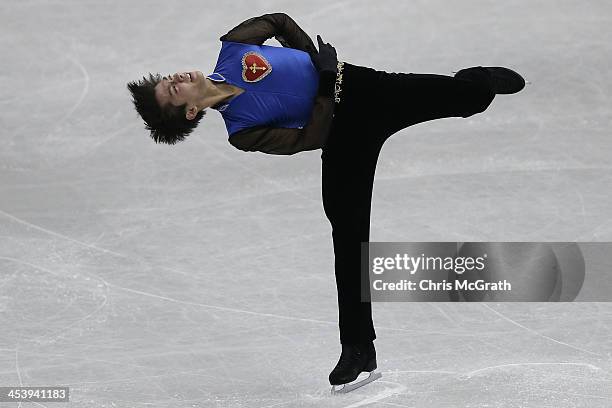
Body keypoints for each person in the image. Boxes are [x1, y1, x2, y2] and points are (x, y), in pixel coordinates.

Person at [127, 12, 525, 393]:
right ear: (191, 110)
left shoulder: (233, 47)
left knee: (464, 98)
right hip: (341, 136)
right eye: (173, 89)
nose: (177, 77)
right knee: (347, 232)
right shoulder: (242, 131)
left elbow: (277, 21)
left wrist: (316, 60)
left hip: (364, 89)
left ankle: (478, 80)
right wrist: (322, 84)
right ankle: (358, 348)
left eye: (168, 78)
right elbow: (307, 138)